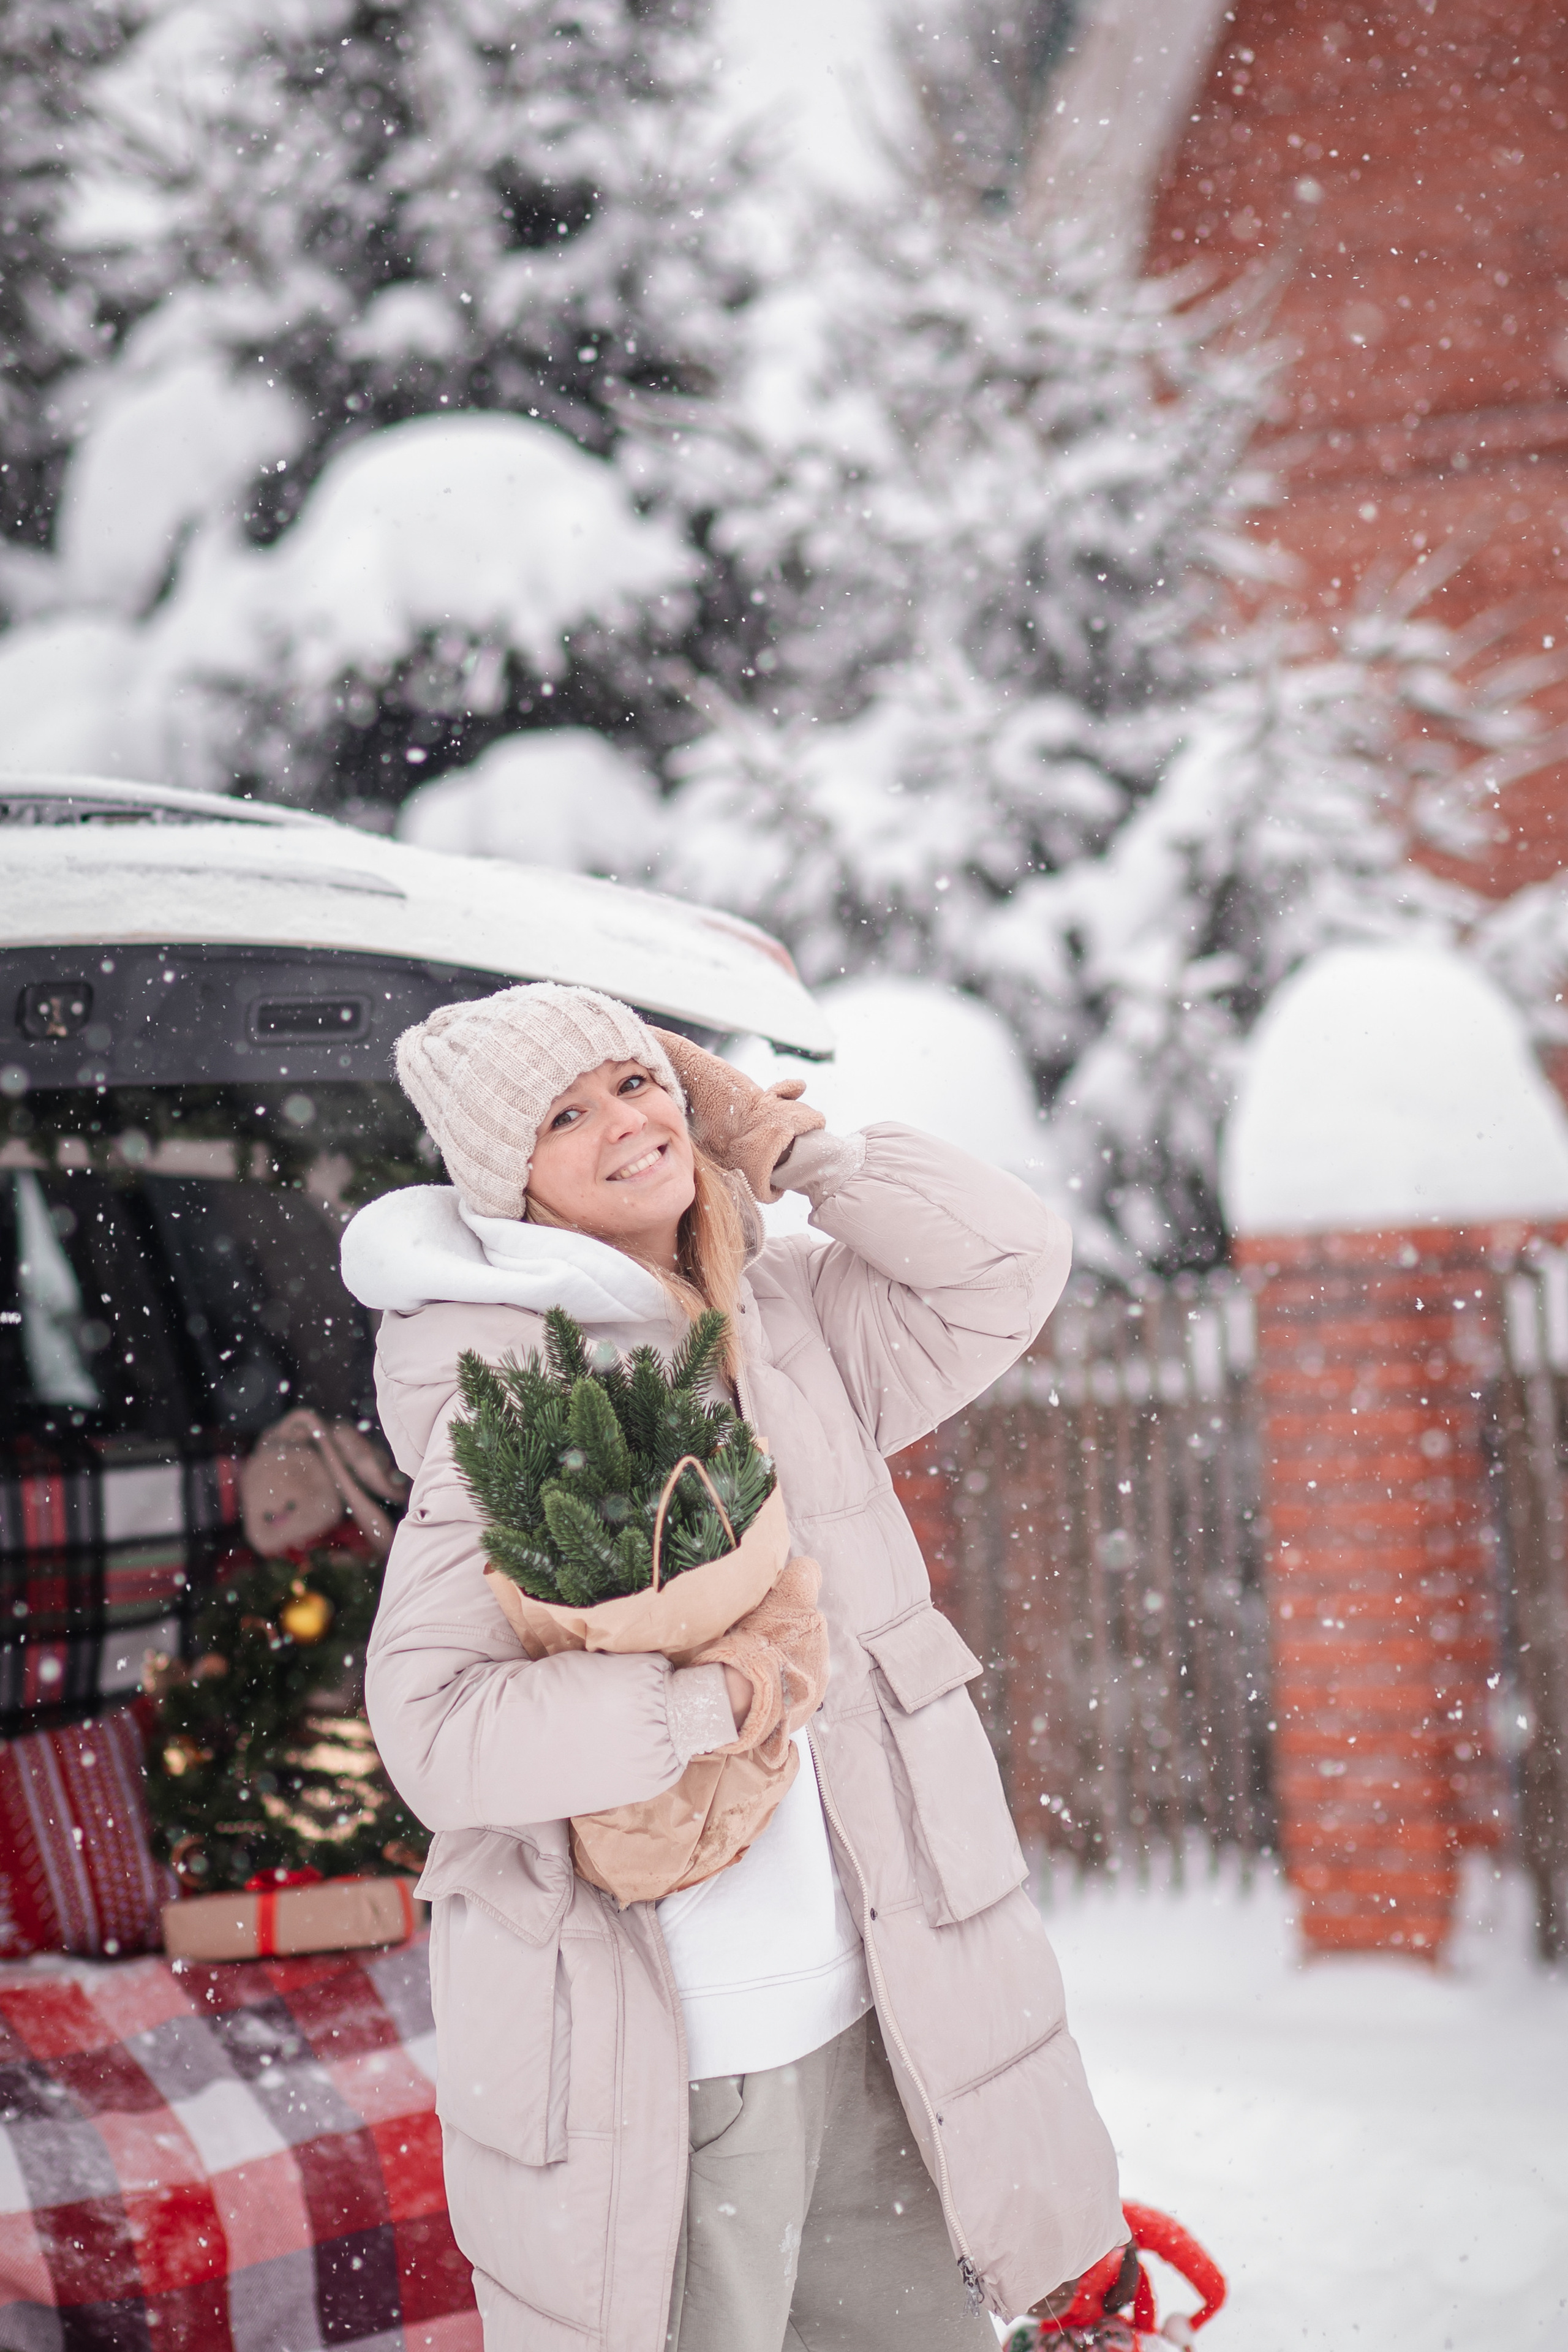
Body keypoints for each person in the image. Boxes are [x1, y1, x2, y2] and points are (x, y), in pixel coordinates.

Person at [342, 981, 1124, 2352]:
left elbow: (1008, 1267)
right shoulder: (509, 1388)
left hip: (883, 2010)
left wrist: (791, 1149)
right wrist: (705, 1702)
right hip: (684, 2055)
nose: (623, 1124)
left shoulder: (789, 1316)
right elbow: (436, 1732)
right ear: (503, 1180)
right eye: (561, 1114)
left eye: (636, 1084)